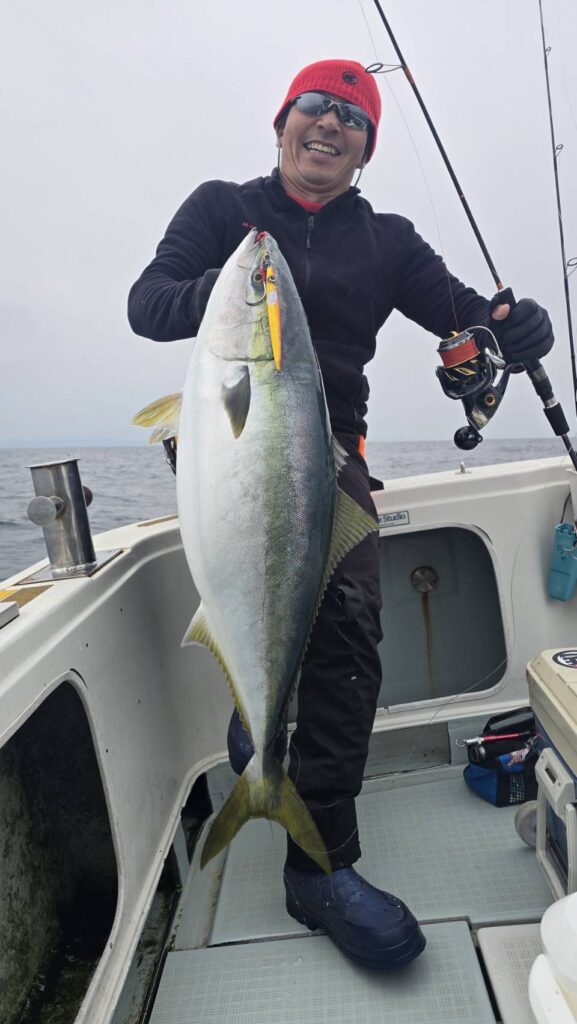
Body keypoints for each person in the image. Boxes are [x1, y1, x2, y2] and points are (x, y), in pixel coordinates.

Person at [128, 59, 554, 969]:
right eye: (314, 107)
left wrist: (513, 328)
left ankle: (319, 861)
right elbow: (147, 306)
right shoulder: (224, 212)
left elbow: (465, 314)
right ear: (282, 121)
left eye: (351, 118)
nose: (329, 124)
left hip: (331, 458)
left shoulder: (386, 240)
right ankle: (263, 712)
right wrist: (235, 289)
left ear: (366, 149)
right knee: (259, 612)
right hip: (230, 450)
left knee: (350, 626)